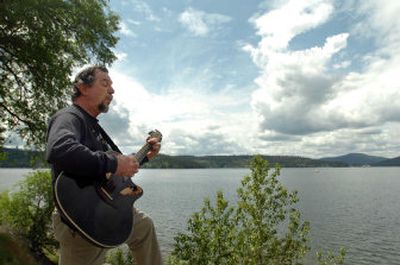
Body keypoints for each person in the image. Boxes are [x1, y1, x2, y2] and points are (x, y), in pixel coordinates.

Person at [46, 65, 163, 265]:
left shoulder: (94, 126)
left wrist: (143, 157)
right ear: (83, 87)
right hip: (80, 220)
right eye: (105, 83)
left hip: (105, 210)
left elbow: (109, 173)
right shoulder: (69, 117)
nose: (112, 90)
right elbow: (59, 149)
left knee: (144, 227)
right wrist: (114, 162)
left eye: (112, 85)